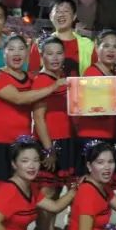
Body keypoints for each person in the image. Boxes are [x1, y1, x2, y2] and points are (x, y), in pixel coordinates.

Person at [0, 36, 56, 200]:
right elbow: (19, 98)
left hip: (23, 146)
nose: (17, 53)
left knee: (20, 194)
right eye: (11, 49)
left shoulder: (31, 78)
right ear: (4, 53)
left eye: (21, 49)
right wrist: (54, 87)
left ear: (27, 53)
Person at [73, 29, 116, 189]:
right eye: (106, 46)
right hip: (91, 136)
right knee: (88, 187)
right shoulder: (91, 73)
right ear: (97, 48)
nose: (111, 50)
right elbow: (95, 107)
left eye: (115, 47)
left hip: (108, 136)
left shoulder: (113, 74)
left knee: (102, 188)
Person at [32, 36, 74, 186]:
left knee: (57, 188)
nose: (55, 58)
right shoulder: (42, 81)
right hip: (50, 140)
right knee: (47, 189)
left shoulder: (61, 78)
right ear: (42, 56)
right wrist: (49, 149)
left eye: (59, 53)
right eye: (50, 54)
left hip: (65, 138)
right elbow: (38, 118)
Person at [49, 0, 96, 76]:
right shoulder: (40, 44)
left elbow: (96, 76)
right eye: (57, 11)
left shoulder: (88, 45)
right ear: (50, 16)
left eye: (66, 11)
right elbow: (33, 75)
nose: (61, 15)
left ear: (74, 16)